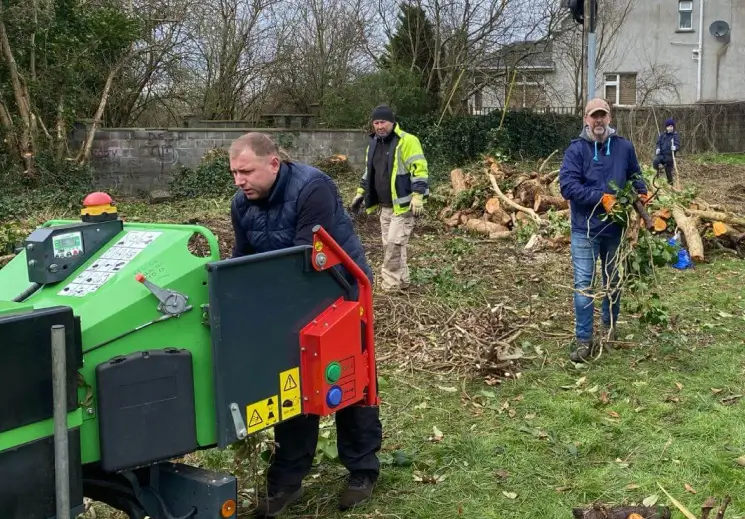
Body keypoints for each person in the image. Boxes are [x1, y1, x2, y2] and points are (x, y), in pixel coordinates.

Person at [228, 132, 383, 517]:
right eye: (234, 173)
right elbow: (241, 261)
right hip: (287, 300)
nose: (239, 180)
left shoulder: (313, 188)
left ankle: (362, 470)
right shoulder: (240, 204)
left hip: (339, 290)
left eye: (246, 171)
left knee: (349, 380)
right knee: (291, 386)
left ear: (273, 163)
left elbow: (304, 258)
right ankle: (285, 482)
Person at [559, 98, 649, 363]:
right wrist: (602, 198)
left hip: (615, 229)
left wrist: (641, 192)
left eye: (603, 115)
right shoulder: (576, 150)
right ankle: (584, 340)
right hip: (585, 230)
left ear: (610, 118)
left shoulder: (623, 147)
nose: (599, 121)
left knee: (614, 283)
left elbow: (635, 175)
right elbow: (568, 187)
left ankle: (610, 332)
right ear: (585, 119)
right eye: (593, 116)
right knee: (584, 285)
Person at [350, 105, 429, 291]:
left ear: (392, 122)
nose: (379, 126)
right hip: (384, 205)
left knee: (393, 244)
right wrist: (361, 192)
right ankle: (403, 280)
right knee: (391, 245)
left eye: (383, 122)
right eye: (376, 123)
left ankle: (390, 283)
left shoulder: (407, 141)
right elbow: (370, 172)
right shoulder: (374, 143)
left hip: (403, 205)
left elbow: (420, 169)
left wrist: (418, 195)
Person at [652, 118, 681, 184]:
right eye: (668, 126)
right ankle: (656, 178)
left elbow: (678, 145)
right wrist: (657, 148)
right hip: (661, 155)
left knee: (668, 172)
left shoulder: (675, 136)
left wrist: (675, 147)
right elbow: (658, 143)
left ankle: (670, 184)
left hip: (669, 157)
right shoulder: (662, 135)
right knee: (655, 161)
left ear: (673, 127)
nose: (670, 128)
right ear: (666, 127)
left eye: (671, 126)